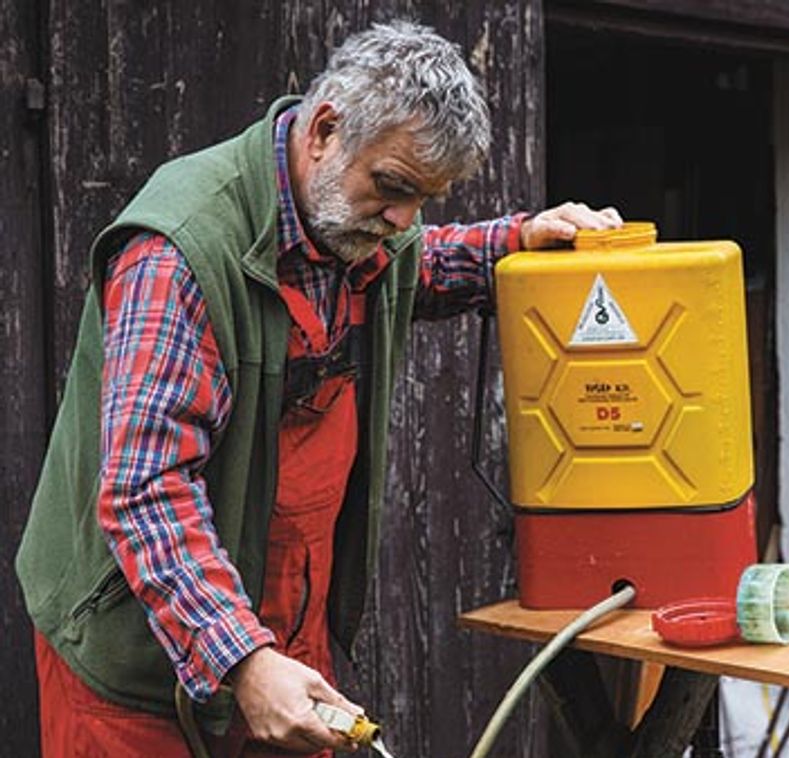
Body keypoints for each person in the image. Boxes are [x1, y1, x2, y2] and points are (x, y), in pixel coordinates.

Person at [15, 19, 620, 757]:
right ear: (324, 129)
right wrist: (242, 659)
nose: (403, 219)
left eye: (422, 199)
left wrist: (515, 240)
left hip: (283, 632)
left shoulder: (349, 223)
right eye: (393, 188)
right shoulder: (178, 253)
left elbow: (415, 263)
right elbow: (144, 487)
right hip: (144, 663)